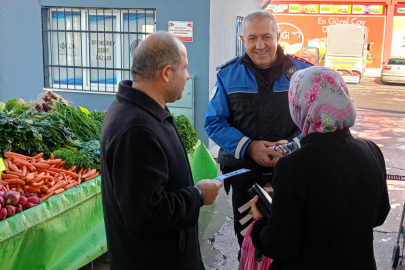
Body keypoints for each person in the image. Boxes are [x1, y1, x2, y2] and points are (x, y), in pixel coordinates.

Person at [100, 31, 223, 270]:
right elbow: (146, 212)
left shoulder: (141, 110)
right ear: (166, 73)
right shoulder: (137, 128)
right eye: (185, 68)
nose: (188, 76)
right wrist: (197, 195)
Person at [249, 66, 391, 269]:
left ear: (299, 103)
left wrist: (259, 223)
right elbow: (379, 215)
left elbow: (280, 246)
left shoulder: (293, 166)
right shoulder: (371, 150)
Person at [204, 10, 312, 251]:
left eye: (266, 37)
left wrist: (292, 147)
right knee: (250, 243)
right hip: (245, 178)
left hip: (296, 175)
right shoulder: (226, 75)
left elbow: (317, 121)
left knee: (295, 243)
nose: (260, 45)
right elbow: (213, 122)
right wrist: (250, 147)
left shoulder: (305, 74)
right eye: (252, 38)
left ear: (278, 36)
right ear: (242, 40)